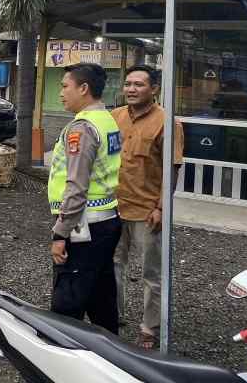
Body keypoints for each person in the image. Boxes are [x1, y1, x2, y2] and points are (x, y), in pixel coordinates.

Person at [111, 65, 184, 350]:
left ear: (154, 89)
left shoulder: (168, 122)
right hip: (114, 207)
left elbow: (172, 170)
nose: (131, 89)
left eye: (138, 84)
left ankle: (149, 330)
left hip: (147, 212)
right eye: (128, 83)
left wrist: (162, 208)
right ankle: (112, 318)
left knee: (152, 274)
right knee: (112, 266)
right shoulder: (115, 117)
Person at [48, 62, 123, 334]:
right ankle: (111, 355)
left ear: (84, 88)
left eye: (65, 86)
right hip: (106, 220)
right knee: (101, 296)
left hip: (83, 227)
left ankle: (62, 361)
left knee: (67, 302)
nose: (61, 93)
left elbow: (77, 186)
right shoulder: (107, 119)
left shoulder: (82, 128)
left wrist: (60, 234)